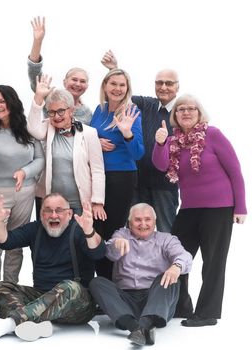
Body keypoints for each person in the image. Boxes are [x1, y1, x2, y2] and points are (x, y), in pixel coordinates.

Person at [152, 94, 246, 327]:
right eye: (181, 109)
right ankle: (181, 306)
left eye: (191, 108)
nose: (186, 112)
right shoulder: (174, 140)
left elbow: (235, 171)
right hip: (189, 208)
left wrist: (241, 206)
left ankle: (207, 313)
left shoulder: (213, 135)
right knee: (177, 256)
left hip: (219, 208)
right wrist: (161, 142)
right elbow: (161, 164)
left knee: (214, 261)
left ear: (199, 112)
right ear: (175, 115)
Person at [0, 194, 104, 342]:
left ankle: (12, 322)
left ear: (69, 214)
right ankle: (34, 325)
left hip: (77, 304)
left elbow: (98, 252)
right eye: (48, 210)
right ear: (41, 214)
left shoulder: (79, 229)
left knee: (69, 287)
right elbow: (6, 241)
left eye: (59, 210)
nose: (53, 215)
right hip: (42, 298)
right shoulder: (36, 229)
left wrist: (89, 231)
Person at [0, 85, 44, 307]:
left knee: (14, 244)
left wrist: (25, 171)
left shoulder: (27, 130)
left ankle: (9, 291)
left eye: (2, 101)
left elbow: (40, 160)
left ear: (12, 102)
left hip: (24, 191)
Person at [89, 203, 193, 346]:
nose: (143, 224)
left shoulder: (166, 239)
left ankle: (145, 323)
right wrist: (115, 244)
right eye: (137, 220)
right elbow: (110, 254)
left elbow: (185, 256)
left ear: (154, 222)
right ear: (129, 223)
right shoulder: (121, 235)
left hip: (155, 300)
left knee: (170, 279)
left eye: (147, 219)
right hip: (126, 300)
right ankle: (137, 328)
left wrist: (176, 267)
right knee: (97, 282)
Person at [101, 50, 179, 233]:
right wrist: (114, 69)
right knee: (133, 232)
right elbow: (120, 94)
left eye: (169, 83)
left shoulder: (182, 112)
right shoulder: (145, 104)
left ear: (177, 86)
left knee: (165, 233)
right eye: (159, 83)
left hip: (165, 187)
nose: (164, 87)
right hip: (137, 182)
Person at [90, 68, 144, 280]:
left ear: (127, 89)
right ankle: (100, 285)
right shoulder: (99, 109)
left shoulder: (132, 112)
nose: (118, 89)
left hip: (121, 177)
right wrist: (95, 142)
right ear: (105, 86)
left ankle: (113, 286)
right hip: (97, 177)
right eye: (113, 84)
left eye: (122, 85)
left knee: (113, 232)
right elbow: (88, 137)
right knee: (96, 230)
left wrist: (127, 132)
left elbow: (138, 153)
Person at [27, 75, 106, 219]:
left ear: (71, 111)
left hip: (80, 203)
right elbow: (33, 128)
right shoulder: (48, 128)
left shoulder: (89, 133)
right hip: (51, 204)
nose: (56, 116)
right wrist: (38, 97)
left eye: (61, 111)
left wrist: (98, 202)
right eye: (52, 112)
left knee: (79, 240)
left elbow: (98, 170)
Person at [27, 17, 92, 125]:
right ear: (64, 82)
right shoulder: (50, 97)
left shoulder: (87, 114)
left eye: (82, 81)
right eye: (74, 79)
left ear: (87, 86)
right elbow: (34, 72)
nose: (78, 84)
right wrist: (37, 41)